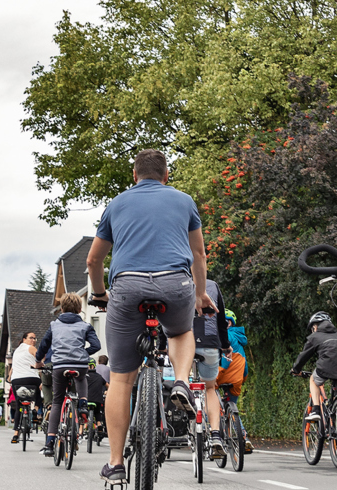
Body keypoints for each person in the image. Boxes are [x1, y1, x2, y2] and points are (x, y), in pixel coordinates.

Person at [86, 148, 216, 484]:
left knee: (120, 379)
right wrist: (201, 294)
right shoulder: (184, 200)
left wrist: (100, 294)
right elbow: (198, 254)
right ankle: (183, 381)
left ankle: (115, 464)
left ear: (134, 176)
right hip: (175, 285)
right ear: (166, 176)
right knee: (181, 331)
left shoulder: (116, 204)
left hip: (127, 288)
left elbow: (93, 261)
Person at [36, 292, 102, 457]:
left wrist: (38, 360)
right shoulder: (85, 326)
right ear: (80, 309)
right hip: (79, 364)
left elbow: (44, 345)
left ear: (62, 308)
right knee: (81, 378)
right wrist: (84, 353)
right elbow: (96, 345)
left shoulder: (54, 325)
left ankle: (50, 443)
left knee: (57, 401)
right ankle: (83, 404)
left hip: (59, 366)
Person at [195, 279, 231, 458]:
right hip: (209, 341)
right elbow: (221, 321)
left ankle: (184, 395)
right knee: (210, 388)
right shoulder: (212, 285)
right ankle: (215, 434)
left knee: (180, 378)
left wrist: (163, 344)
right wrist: (225, 346)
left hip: (183, 339)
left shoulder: (174, 278)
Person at [290, 312, 337, 421]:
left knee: (313, 380)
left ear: (315, 326)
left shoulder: (315, 336)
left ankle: (316, 410)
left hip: (325, 368)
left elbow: (304, 356)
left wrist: (296, 369)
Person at [220, 309, 253, 453]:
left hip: (222, 374)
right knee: (232, 403)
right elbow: (244, 367)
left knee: (209, 392)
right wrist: (242, 379)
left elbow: (220, 360)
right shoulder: (239, 337)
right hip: (238, 378)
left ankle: (215, 432)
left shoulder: (223, 335)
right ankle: (243, 436)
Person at [9, 331, 42, 444]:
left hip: (16, 380)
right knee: (39, 391)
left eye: (35, 338)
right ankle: (35, 410)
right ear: (24, 339)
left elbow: (12, 369)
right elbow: (40, 357)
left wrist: (9, 378)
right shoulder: (30, 348)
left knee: (18, 405)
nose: (33, 340)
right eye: (31, 338)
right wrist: (41, 365)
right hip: (32, 378)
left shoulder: (16, 351)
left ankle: (16, 434)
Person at [84, 357, 109, 438]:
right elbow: (108, 386)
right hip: (98, 399)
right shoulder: (99, 377)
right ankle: (100, 426)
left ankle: (83, 427)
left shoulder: (84, 376)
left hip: (87, 399)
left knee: (82, 410)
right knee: (98, 412)